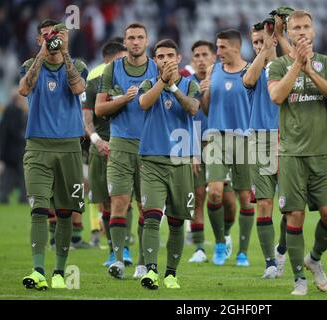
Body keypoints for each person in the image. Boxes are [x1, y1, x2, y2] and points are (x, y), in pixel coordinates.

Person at [268, 10, 327, 296]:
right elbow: (276, 97)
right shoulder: (277, 66)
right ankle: (299, 278)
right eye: (295, 27)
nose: (301, 31)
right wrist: (297, 66)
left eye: (306, 27)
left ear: (313, 31)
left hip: (322, 155)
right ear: (287, 33)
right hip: (291, 155)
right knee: (295, 217)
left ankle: (314, 259)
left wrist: (309, 68)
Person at [18, 19, 88, 289]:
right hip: (37, 146)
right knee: (39, 208)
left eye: (59, 34)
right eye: (47, 35)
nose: (54, 39)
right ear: (39, 40)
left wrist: (64, 53)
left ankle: (59, 272)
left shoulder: (78, 65)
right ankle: (37, 270)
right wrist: (42, 54)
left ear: (67, 37)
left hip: (69, 145)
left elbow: (78, 88)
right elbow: (24, 88)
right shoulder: (29, 66)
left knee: (66, 211)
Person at [95, 23, 158, 280]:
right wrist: (122, 99)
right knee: (118, 202)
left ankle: (143, 263)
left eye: (139, 37)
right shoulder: (112, 69)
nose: (135, 42)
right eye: (130, 38)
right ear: (125, 41)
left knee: (146, 206)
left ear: (147, 40)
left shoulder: (157, 67)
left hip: (151, 144)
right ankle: (119, 259)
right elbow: (99, 109)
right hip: (120, 143)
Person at [138, 39, 199, 289]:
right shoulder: (148, 84)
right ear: (154, 61)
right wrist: (163, 82)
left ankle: (171, 273)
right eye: (160, 56)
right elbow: (144, 103)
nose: (165, 60)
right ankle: (151, 270)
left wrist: (173, 87)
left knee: (176, 221)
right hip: (152, 160)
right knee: (152, 216)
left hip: (180, 161)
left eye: (169, 56)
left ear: (179, 58)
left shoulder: (190, 85)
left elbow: (193, 108)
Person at [201, 29, 255, 267]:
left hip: (244, 139)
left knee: (245, 198)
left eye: (222, 47)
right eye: (217, 47)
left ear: (236, 47)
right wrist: (204, 92)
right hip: (216, 138)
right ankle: (220, 242)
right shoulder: (213, 71)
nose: (218, 52)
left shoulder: (251, 71)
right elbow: (205, 109)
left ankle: (242, 251)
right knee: (214, 192)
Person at [242, 20, 288, 279]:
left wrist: (276, 43)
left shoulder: (287, 68)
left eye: (264, 40)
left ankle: (281, 248)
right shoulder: (252, 70)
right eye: (256, 42)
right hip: (258, 139)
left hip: (288, 140)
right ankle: (270, 262)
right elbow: (248, 80)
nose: (261, 45)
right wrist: (264, 52)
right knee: (264, 203)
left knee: (290, 205)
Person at [187, 40, 237, 263]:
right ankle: (199, 247)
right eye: (196, 55)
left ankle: (224, 235)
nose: (200, 59)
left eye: (204, 54)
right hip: (195, 148)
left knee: (228, 201)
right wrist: (190, 151)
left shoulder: (223, 81)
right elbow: (183, 120)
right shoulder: (186, 84)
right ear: (192, 60)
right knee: (198, 197)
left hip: (221, 147)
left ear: (213, 58)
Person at [82, 40, 127, 261]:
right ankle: (113, 251)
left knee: (126, 199)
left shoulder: (132, 79)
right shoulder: (93, 79)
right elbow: (87, 118)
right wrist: (97, 140)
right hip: (102, 147)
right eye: (120, 60)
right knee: (106, 201)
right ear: (108, 60)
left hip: (127, 146)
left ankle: (125, 248)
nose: (124, 63)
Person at [0, 92, 27, 204]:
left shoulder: (7, 111)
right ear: (18, 100)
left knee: (8, 176)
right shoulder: (16, 112)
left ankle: (4, 197)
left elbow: (3, 131)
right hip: (17, 150)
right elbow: (15, 131)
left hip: (8, 151)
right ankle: (23, 198)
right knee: (23, 175)